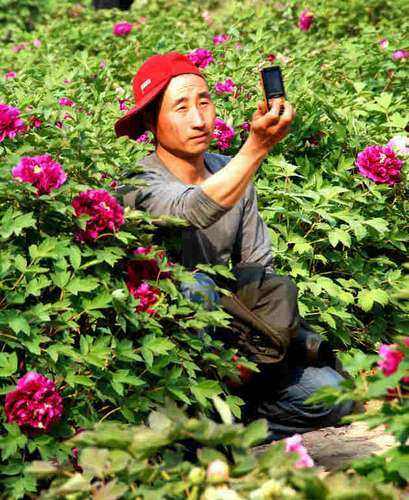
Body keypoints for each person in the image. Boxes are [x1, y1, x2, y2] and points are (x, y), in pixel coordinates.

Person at [114, 51, 354, 441]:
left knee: (335, 396)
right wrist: (256, 147)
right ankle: (196, 422)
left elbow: (258, 270)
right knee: (195, 288)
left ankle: (226, 428)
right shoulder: (139, 183)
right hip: (171, 358)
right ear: (150, 122)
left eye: (204, 102)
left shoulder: (230, 169)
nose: (199, 119)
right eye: (181, 107)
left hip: (237, 347)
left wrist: (261, 351)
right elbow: (193, 209)